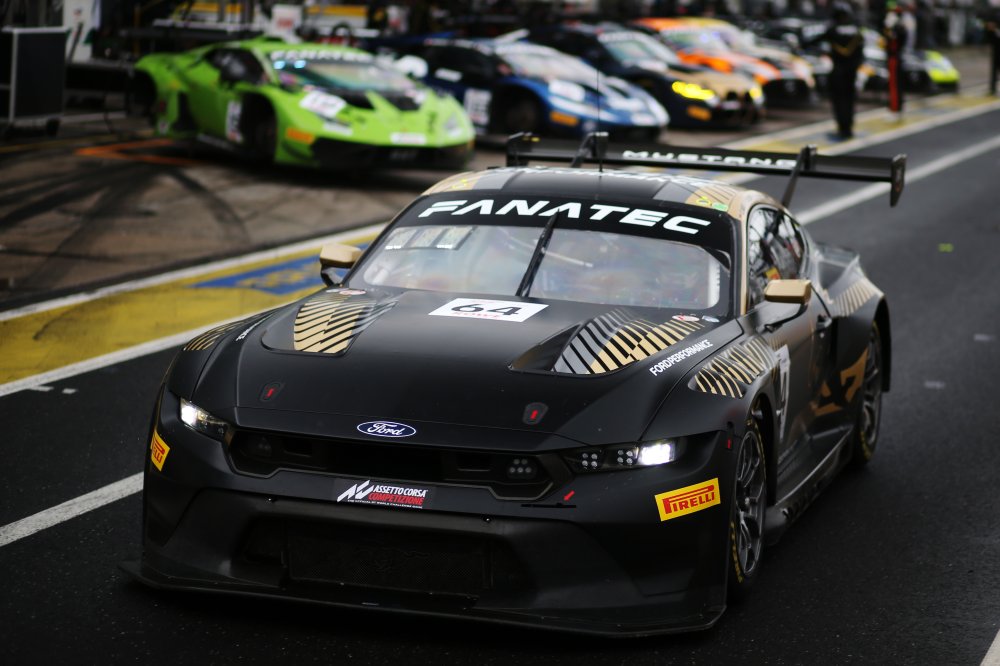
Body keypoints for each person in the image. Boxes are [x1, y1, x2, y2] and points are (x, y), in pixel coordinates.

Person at [807, 2, 865, 139]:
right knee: (850, 100)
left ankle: (842, 127)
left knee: (839, 100)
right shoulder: (856, 31)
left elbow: (815, 41)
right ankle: (849, 127)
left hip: (838, 71)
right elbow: (861, 52)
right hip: (852, 72)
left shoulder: (833, 30)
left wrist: (801, 44)